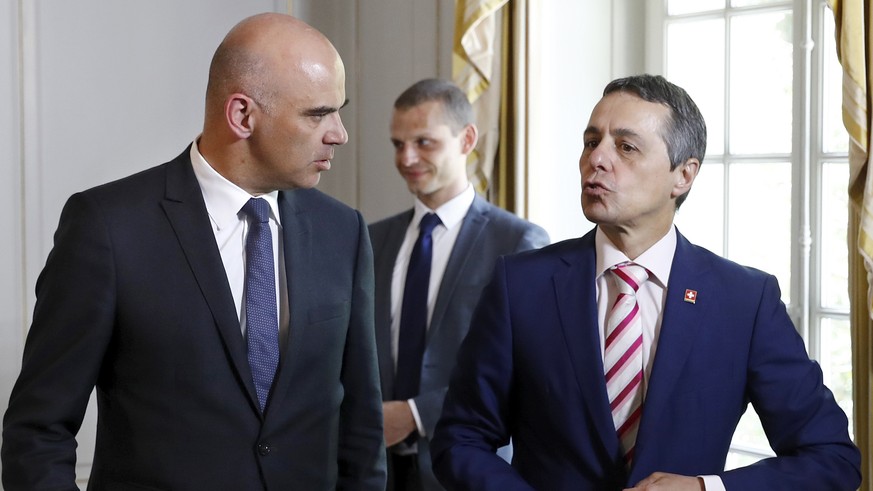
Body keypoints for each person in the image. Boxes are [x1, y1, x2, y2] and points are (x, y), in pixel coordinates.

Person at [2, 13, 386, 490]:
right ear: (242, 115)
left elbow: (362, 431)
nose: (339, 133)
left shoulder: (342, 231)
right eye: (317, 114)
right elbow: (38, 432)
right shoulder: (107, 227)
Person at [430, 74, 861, 490]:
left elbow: (831, 459)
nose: (597, 159)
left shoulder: (745, 302)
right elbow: (460, 441)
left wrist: (703, 489)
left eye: (626, 147)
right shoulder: (520, 285)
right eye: (591, 141)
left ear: (684, 175)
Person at [368, 78, 549, 491]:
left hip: (466, 472)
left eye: (424, 142)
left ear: (467, 139)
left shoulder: (518, 241)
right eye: (398, 144)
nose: (407, 157)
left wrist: (414, 414)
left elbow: (525, 368)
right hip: (372, 473)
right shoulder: (372, 240)